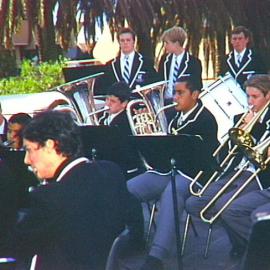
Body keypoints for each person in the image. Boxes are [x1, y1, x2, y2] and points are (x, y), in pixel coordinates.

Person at [10, 110, 143, 270]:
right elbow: (135, 227)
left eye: (29, 150)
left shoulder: (50, 197)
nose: (26, 160)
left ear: (50, 145)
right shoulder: (111, 172)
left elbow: (17, 247)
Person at [127, 76, 218, 270]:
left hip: (194, 175)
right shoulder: (176, 116)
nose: (174, 98)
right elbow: (164, 153)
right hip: (169, 170)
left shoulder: (205, 120)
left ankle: (156, 257)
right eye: (174, 93)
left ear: (195, 94)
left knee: (172, 193)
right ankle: (134, 238)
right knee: (128, 189)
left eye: (180, 93)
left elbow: (200, 160)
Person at [185, 74, 270, 258]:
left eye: (255, 97)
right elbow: (226, 154)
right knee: (195, 203)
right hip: (236, 171)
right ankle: (241, 240)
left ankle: (253, 249)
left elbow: (262, 157)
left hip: (258, 175)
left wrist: (253, 129)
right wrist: (235, 138)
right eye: (248, 96)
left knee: (226, 208)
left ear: (268, 96)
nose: (250, 102)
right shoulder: (240, 117)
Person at [97, 27, 158, 94]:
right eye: (122, 40)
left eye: (128, 40)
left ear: (134, 42)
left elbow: (153, 84)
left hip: (139, 102)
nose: (125, 43)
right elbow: (105, 87)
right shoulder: (110, 65)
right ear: (119, 42)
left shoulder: (146, 63)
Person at [158, 26, 203, 104]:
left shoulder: (194, 62)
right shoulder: (164, 59)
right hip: (165, 102)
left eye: (167, 43)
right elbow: (159, 79)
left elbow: (198, 86)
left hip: (183, 103)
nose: (165, 46)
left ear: (176, 43)